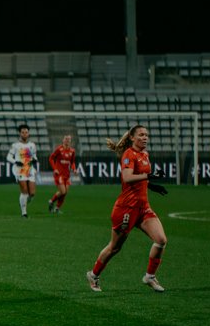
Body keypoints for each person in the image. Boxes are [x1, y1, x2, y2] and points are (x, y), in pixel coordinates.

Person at [86, 124, 169, 293]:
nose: (145, 137)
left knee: (161, 240)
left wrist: (152, 185)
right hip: (126, 209)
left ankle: (150, 276)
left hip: (143, 208)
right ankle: (93, 275)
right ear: (132, 137)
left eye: (146, 135)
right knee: (114, 247)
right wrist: (149, 175)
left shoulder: (145, 154)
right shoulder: (128, 154)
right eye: (141, 135)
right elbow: (127, 177)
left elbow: (141, 178)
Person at [6, 123, 39, 218]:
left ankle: (22, 202)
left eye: (26, 132)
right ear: (20, 133)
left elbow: (34, 156)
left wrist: (35, 160)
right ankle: (24, 213)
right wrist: (16, 161)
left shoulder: (32, 145)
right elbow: (8, 157)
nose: (25, 134)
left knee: (32, 194)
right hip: (19, 170)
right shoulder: (15, 145)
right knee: (24, 191)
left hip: (30, 169)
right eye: (23, 132)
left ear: (28, 133)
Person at [47, 134, 77, 214]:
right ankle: (51, 201)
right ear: (63, 140)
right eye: (66, 139)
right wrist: (55, 169)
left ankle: (57, 208)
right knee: (63, 191)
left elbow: (72, 162)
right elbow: (51, 158)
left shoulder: (72, 151)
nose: (67, 140)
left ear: (70, 141)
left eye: (69, 139)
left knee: (65, 192)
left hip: (67, 175)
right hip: (59, 174)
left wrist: (74, 169)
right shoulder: (59, 149)